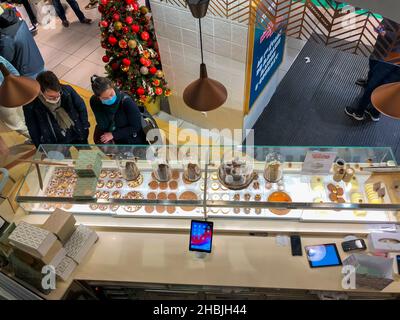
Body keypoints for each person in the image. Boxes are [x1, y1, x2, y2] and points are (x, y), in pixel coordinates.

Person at [345, 18, 400, 122]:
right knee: (386, 86)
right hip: (387, 53)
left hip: (391, 56)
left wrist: (383, 32)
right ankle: (374, 112)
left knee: (374, 84)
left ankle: (358, 112)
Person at [23, 71, 90, 148]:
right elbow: (32, 127)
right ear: (40, 91)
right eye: (51, 97)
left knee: (88, 157)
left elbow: (81, 107)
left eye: (58, 95)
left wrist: (85, 125)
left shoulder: (67, 90)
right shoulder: (31, 105)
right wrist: (40, 146)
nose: (56, 99)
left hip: (76, 131)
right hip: (55, 141)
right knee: (63, 160)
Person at [90, 75, 147, 145]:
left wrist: (113, 134)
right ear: (98, 98)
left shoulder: (126, 102)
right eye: (105, 98)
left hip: (131, 140)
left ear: (113, 87)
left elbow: (136, 126)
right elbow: (102, 124)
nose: (110, 98)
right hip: (116, 141)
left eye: (111, 94)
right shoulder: (94, 102)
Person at [0, 7, 44, 78]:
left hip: (27, 72)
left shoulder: (6, 37)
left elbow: (5, 61)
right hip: (38, 61)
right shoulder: (17, 19)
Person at [0, 55, 29, 137]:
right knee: (23, 118)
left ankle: (37, 140)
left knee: (17, 125)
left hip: (3, 102)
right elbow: (15, 72)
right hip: (15, 93)